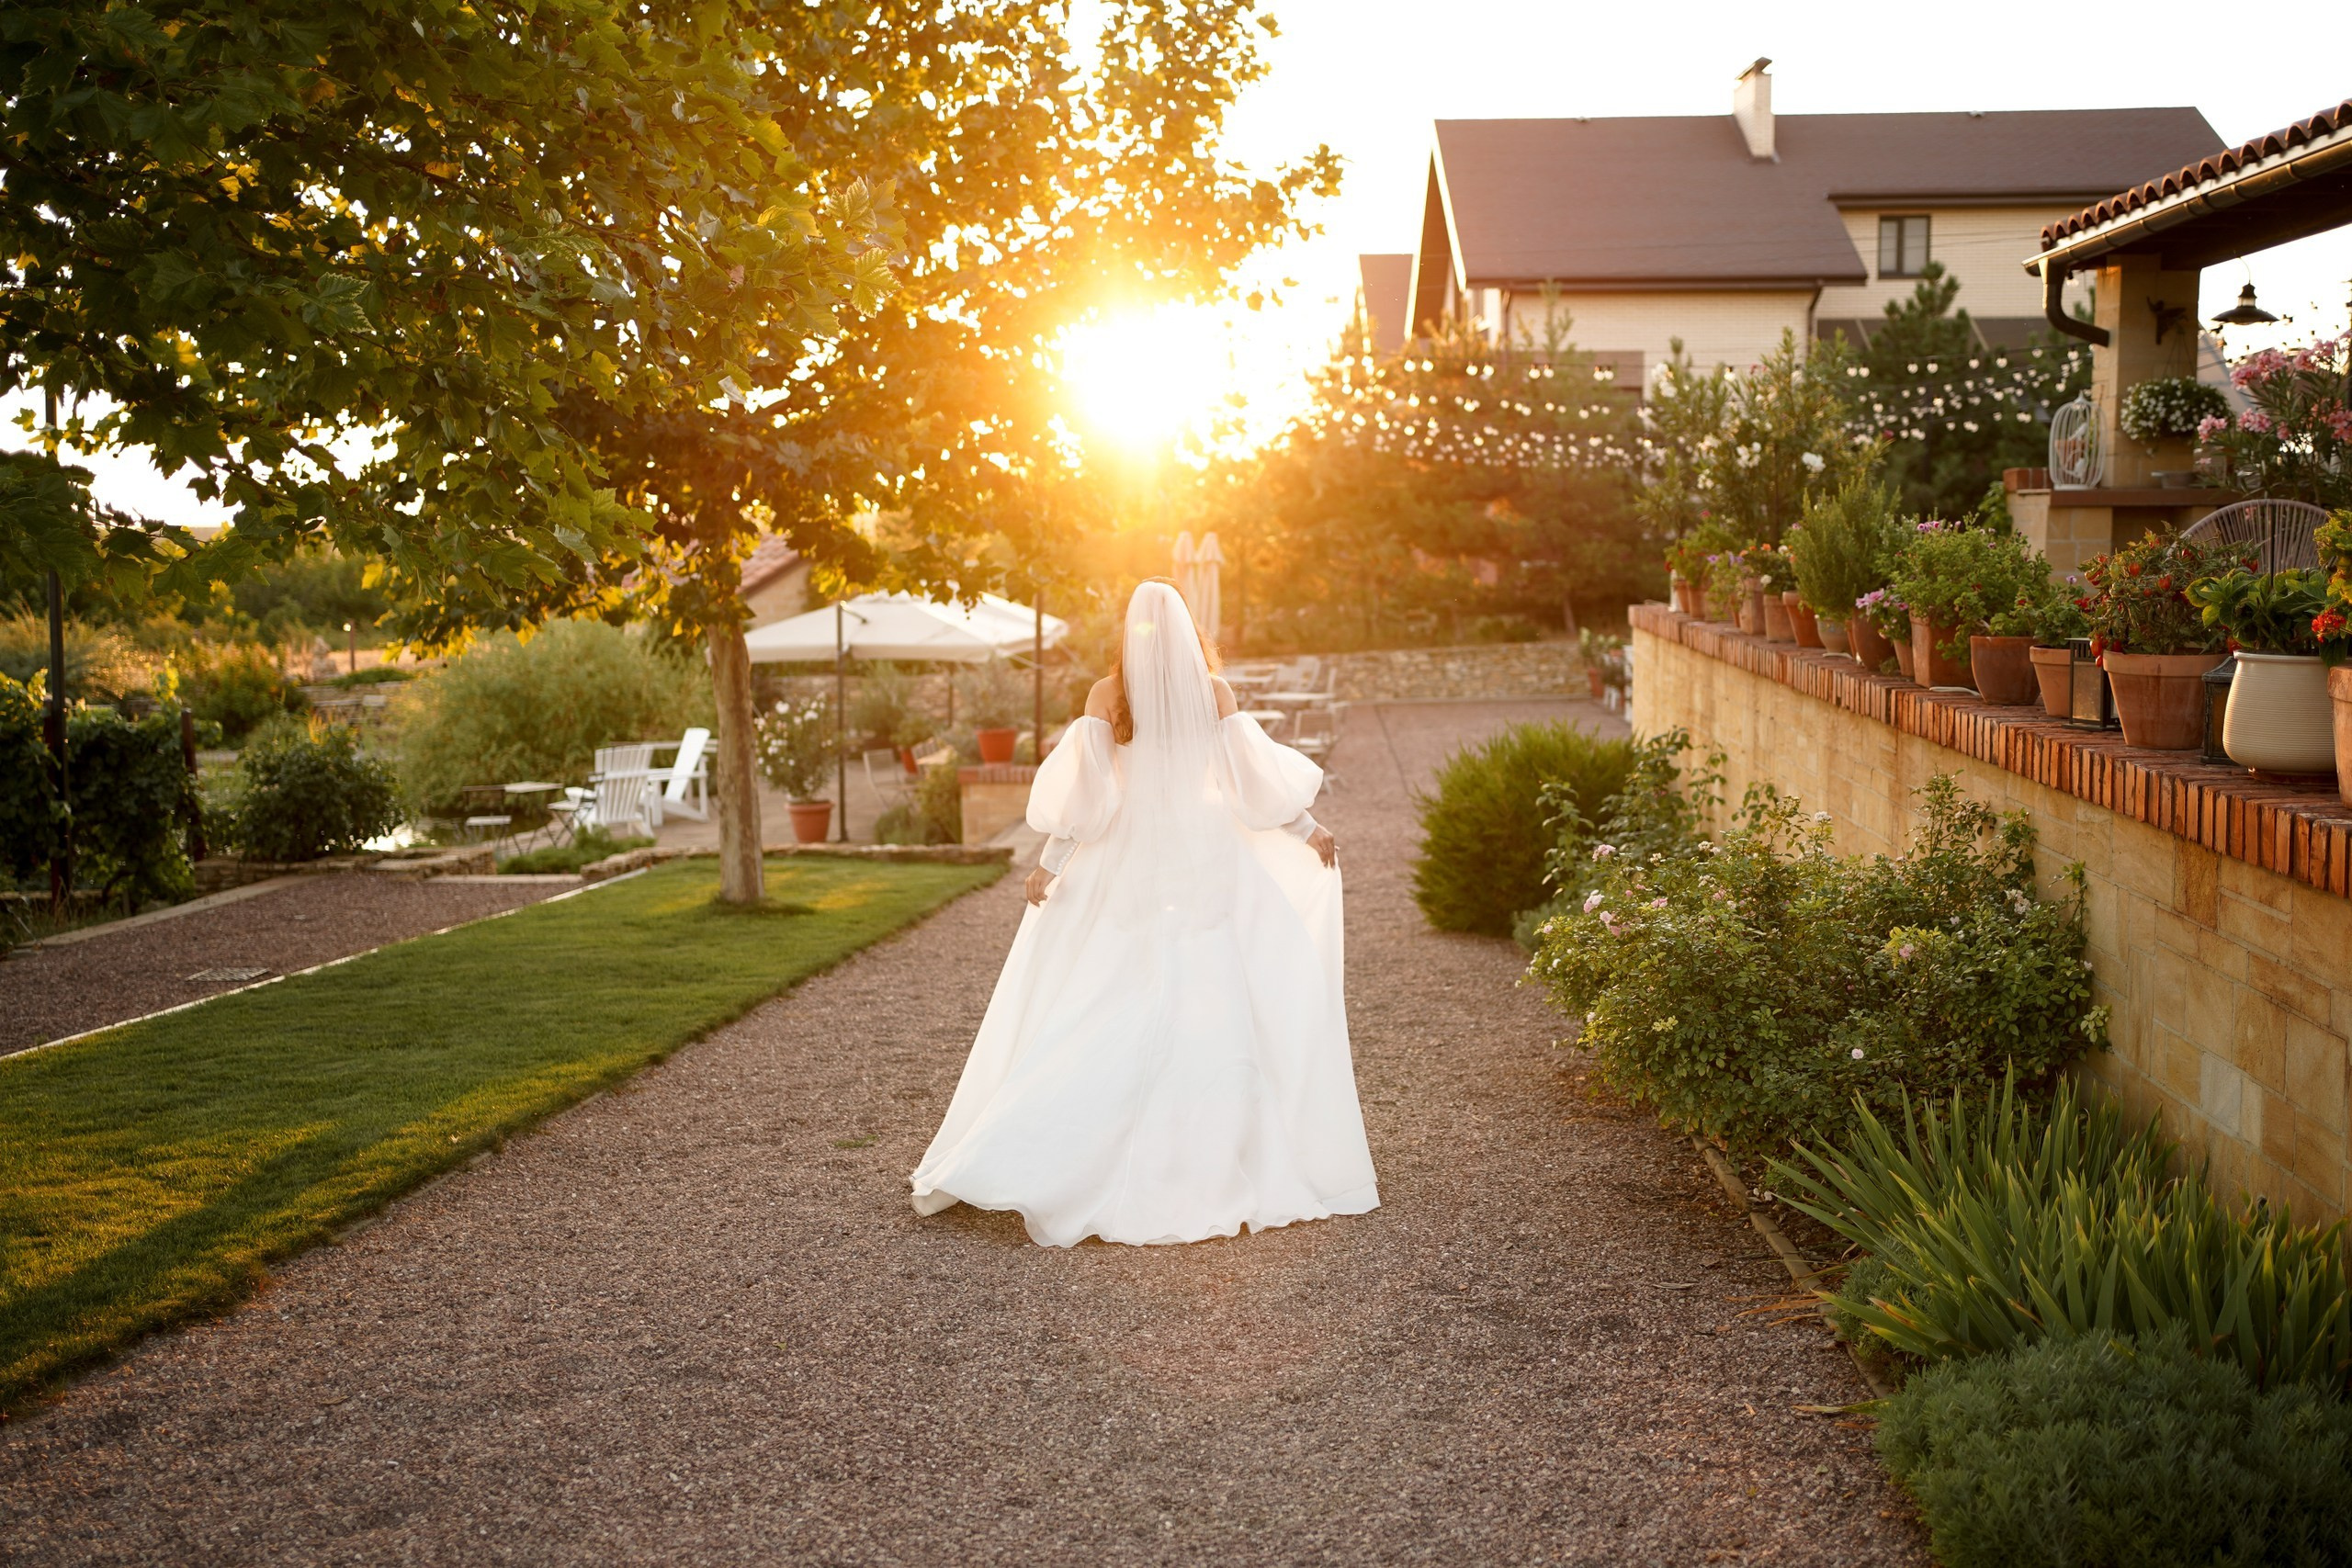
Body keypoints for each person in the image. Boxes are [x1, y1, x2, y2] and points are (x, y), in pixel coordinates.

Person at [910, 580, 1378, 1246]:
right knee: (1219, 993)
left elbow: (1089, 798)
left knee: (1109, 991)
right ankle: (1210, 1142)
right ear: (1188, 630)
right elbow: (1249, 786)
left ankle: (1081, 1140)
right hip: (1205, 854)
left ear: (1129, 632)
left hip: (1132, 862)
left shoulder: (1109, 697)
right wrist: (1306, 828)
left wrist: (1053, 860)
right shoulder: (1215, 694)